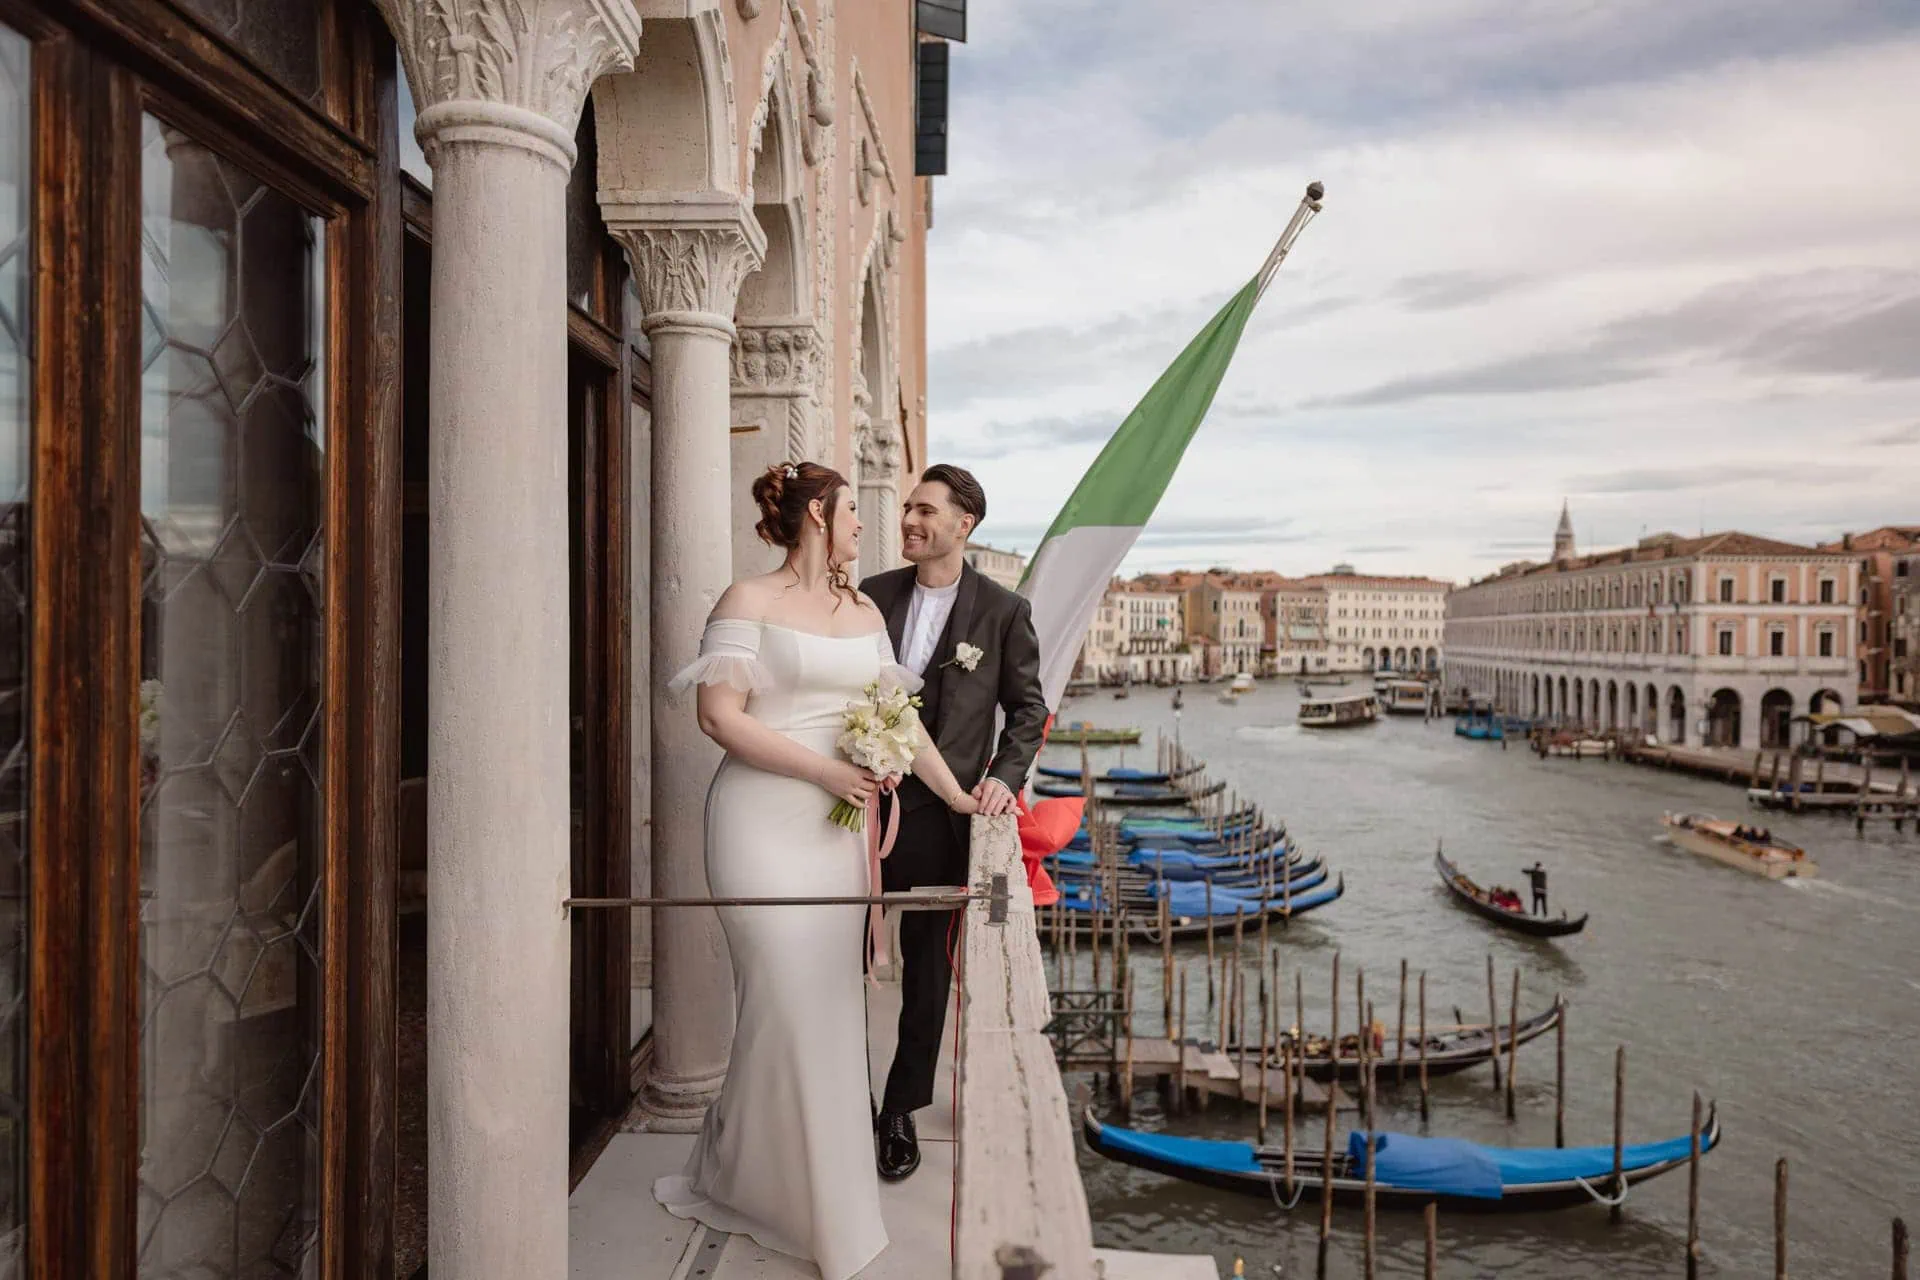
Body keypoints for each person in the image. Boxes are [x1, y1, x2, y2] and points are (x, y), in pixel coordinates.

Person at [652, 462, 982, 1280]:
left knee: (824, 1010)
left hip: (838, 838)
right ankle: (780, 1191)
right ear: (816, 517)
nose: (866, 526)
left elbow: (900, 720)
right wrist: (824, 771)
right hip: (760, 823)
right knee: (784, 999)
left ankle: (776, 1182)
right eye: (851, 514)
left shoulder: (865, 609)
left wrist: (960, 797)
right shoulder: (746, 601)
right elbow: (717, 715)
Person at [863, 464, 1049, 1183]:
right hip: (860, 803)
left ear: (963, 523)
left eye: (924, 510)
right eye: (906, 507)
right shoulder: (872, 596)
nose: (909, 520)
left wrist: (1003, 779)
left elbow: (1028, 710)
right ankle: (827, 1094)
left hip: (947, 816)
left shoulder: (1003, 611)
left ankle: (900, 1107)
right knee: (836, 950)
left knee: (928, 969)